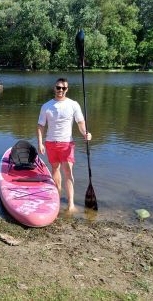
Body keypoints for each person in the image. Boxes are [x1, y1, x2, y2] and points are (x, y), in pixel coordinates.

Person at [36, 78, 92, 213]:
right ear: (54, 88)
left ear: (67, 89)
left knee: (68, 171)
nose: (60, 90)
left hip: (66, 143)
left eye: (63, 88)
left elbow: (80, 122)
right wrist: (40, 143)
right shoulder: (46, 106)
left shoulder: (73, 104)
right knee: (55, 169)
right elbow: (40, 126)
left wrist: (85, 133)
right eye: (58, 87)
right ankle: (58, 198)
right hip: (50, 143)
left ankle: (71, 204)